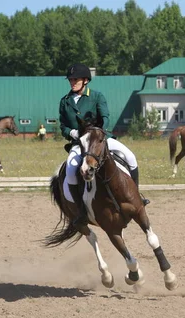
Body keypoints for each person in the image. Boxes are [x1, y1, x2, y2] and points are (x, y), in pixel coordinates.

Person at [59, 63, 148, 225]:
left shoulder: (96, 96)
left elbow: (105, 117)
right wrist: (71, 132)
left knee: (130, 156)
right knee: (71, 171)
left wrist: (98, 132)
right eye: (70, 80)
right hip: (79, 143)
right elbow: (63, 126)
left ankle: (137, 197)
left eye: (75, 79)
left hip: (100, 140)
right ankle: (81, 210)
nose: (72, 82)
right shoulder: (65, 102)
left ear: (85, 80)